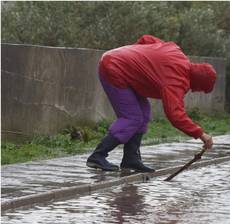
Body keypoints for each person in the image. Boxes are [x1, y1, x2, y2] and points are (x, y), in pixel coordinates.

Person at [86, 34, 216, 172]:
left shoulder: (176, 51)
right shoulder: (177, 80)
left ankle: (131, 159)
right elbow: (175, 115)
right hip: (113, 69)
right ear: (198, 82)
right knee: (132, 118)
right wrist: (201, 134)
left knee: (144, 113)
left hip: (117, 64)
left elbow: (146, 39)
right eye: (199, 89)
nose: (194, 91)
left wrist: (136, 61)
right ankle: (97, 156)